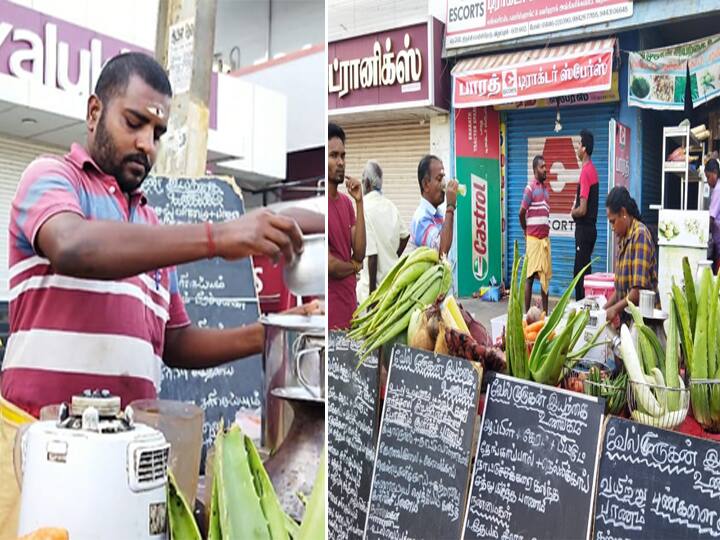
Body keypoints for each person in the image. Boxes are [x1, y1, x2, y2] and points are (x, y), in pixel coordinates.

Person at [0, 52, 320, 538]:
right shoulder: (51, 178)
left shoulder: (150, 227)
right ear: (93, 113)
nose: (147, 145)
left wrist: (273, 334)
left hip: (126, 466)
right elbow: (73, 246)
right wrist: (217, 237)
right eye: (134, 123)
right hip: (37, 453)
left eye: (158, 135)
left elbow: (177, 343)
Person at [328, 122, 366, 329]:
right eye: (333, 156)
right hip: (331, 318)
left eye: (343, 156)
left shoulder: (346, 203)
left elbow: (359, 253)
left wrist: (360, 202)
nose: (340, 162)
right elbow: (330, 266)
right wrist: (353, 267)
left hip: (350, 309)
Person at [356, 160, 409, 304]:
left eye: (362, 181)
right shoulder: (391, 206)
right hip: (392, 285)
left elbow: (372, 256)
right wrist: (393, 256)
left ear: (366, 183)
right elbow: (405, 235)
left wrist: (372, 297)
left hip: (372, 290)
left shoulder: (364, 208)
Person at [604, 186, 659, 326]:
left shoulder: (639, 235)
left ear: (623, 212)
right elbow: (620, 291)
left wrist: (613, 310)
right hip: (628, 321)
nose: (612, 227)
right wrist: (602, 310)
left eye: (613, 221)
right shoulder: (624, 239)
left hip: (644, 323)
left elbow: (636, 293)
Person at [519, 155, 551, 313]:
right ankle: (526, 315)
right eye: (542, 167)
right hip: (533, 240)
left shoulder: (546, 190)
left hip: (544, 241)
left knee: (545, 278)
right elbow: (521, 213)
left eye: (545, 166)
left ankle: (545, 314)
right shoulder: (530, 188)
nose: (545, 169)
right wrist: (526, 231)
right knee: (530, 277)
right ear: (534, 170)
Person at [410, 155, 458, 256]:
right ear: (426, 184)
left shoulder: (437, 213)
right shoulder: (421, 219)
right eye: (439, 179)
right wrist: (450, 207)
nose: (444, 184)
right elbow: (442, 251)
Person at [571, 129, 599, 300]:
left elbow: (582, 209)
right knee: (585, 272)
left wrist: (572, 213)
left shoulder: (586, 172)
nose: (577, 147)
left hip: (584, 230)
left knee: (579, 274)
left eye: (579, 144)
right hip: (590, 230)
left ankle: (581, 310)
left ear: (584, 148)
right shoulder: (593, 170)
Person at [706, 159, 720, 271]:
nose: (708, 181)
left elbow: (711, 218)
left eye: (708, 177)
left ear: (715, 172)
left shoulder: (717, 190)